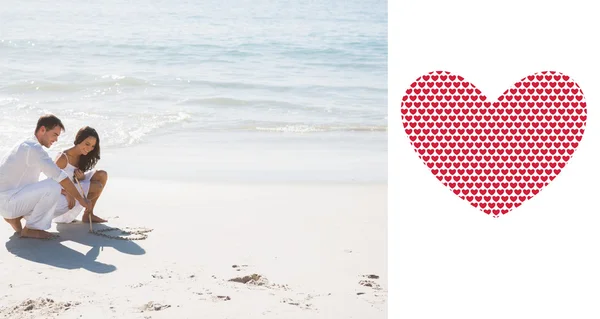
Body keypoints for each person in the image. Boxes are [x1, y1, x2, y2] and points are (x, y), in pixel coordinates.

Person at [0, 114, 92, 239]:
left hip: (7, 201)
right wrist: (81, 199)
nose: (56, 140)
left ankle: (14, 218)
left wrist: (65, 191)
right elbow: (60, 176)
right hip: (10, 202)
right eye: (55, 134)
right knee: (57, 191)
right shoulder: (34, 148)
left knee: (55, 188)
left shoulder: (24, 144)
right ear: (42, 130)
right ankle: (31, 228)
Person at [53, 126, 108, 224]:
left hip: (75, 187)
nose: (89, 149)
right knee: (97, 186)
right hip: (63, 197)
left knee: (102, 175)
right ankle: (82, 212)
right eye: (87, 144)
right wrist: (66, 193)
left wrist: (82, 177)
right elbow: (50, 183)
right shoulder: (63, 158)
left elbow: (75, 180)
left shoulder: (82, 156)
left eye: (92, 146)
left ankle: (88, 215)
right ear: (79, 140)